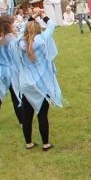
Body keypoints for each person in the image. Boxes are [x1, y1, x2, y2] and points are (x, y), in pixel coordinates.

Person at [14, 13, 62, 150]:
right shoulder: (42, 40)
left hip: (26, 84)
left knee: (27, 115)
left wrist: (31, 17)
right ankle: (45, 143)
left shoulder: (20, 42)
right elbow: (52, 25)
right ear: (38, 30)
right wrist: (43, 15)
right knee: (42, 115)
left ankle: (28, 143)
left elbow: (22, 29)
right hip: (42, 83)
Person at [0, 15, 22, 129]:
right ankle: (22, 123)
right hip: (10, 71)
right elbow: (17, 56)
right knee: (16, 97)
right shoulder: (12, 39)